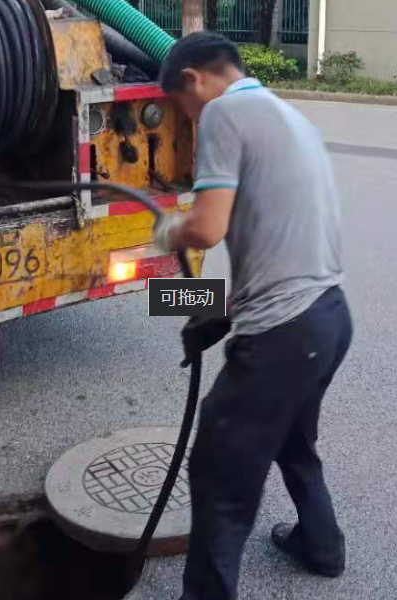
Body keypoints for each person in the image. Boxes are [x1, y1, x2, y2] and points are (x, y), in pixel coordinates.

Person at [153, 32, 353, 599]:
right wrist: (189, 306)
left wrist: (168, 227)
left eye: (182, 109)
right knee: (291, 439)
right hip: (329, 318)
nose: (189, 122)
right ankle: (321, 547)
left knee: (218, 478)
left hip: (283, 335)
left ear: (194, 80)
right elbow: (273, 252)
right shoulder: (290, 117)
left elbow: (207, 227)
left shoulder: (225, 113)